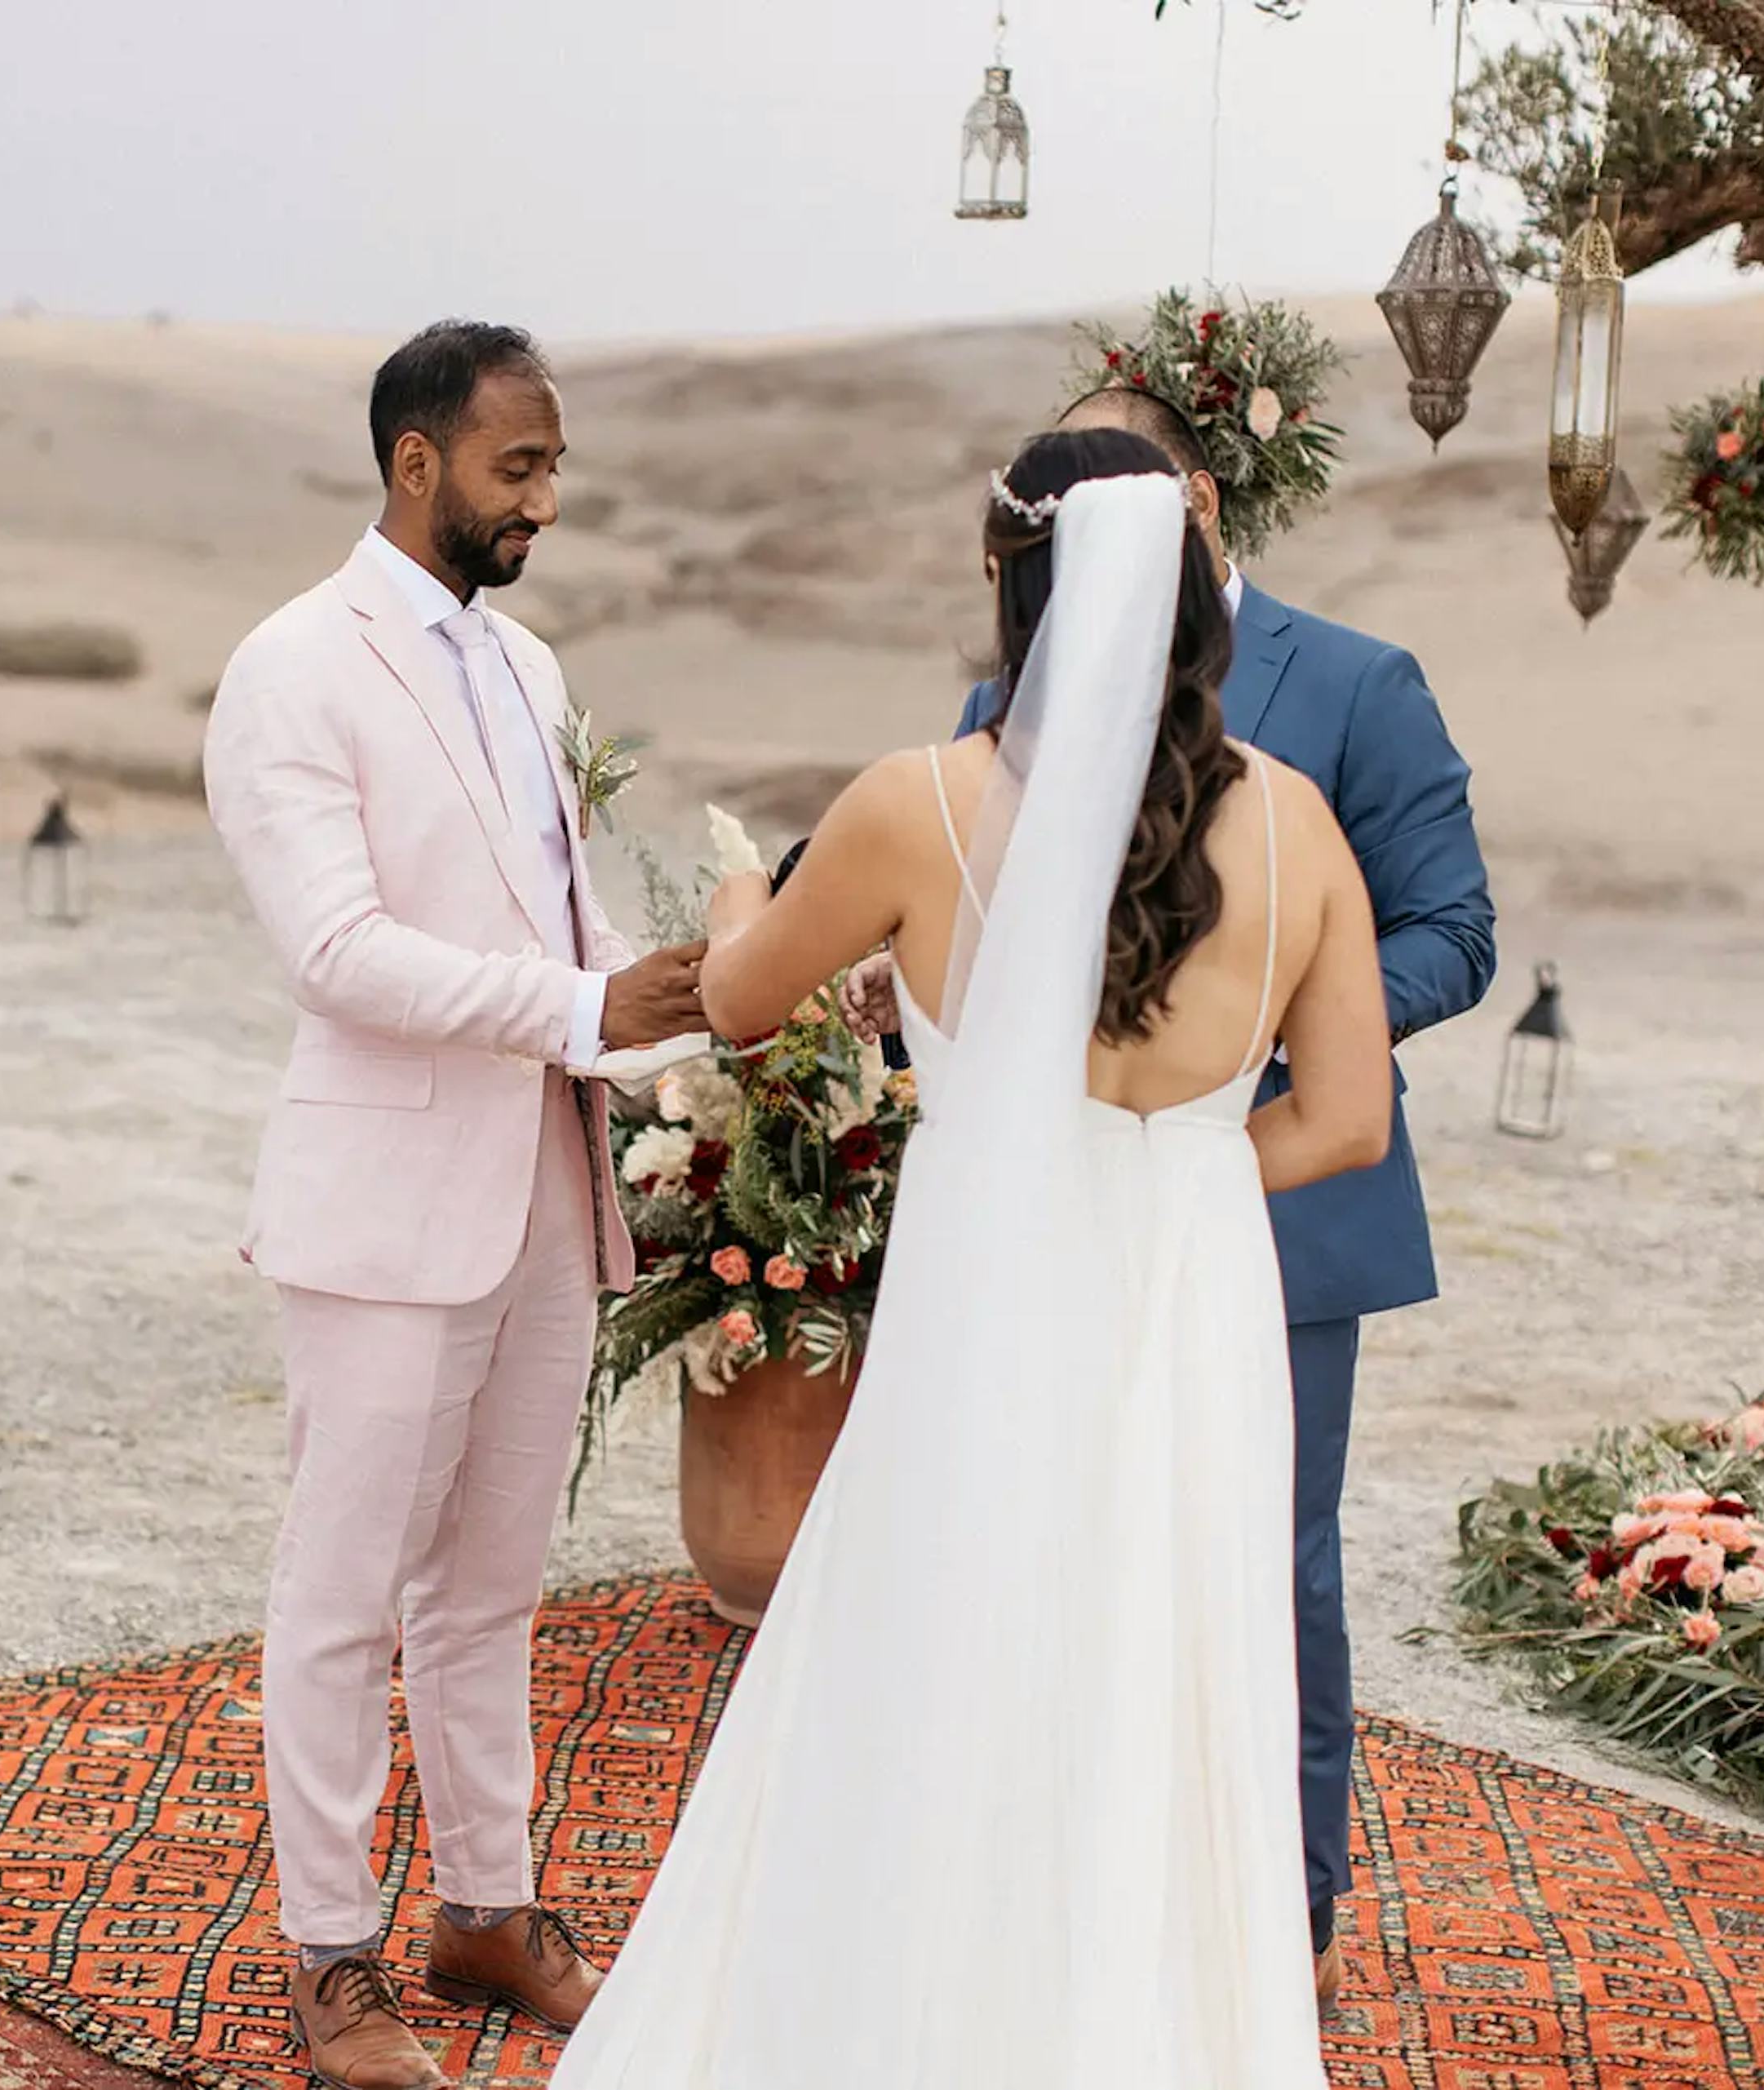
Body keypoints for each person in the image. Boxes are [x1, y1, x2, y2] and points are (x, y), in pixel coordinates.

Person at [548, 437, 1393, 2086]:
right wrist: (1184, 1181)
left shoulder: (914, 808)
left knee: (938, 1640)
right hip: (1186, 1318)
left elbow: (735, 998)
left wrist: (740, 886)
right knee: (1165, 1664)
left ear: (1018, 590)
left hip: (992, 1305)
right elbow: (1350, 1117)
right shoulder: (1298, 832)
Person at [853, 383, 1493, 2000]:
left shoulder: (1357, 683)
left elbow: (1455, 928)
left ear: (1199, 497)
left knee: (1262, 1570)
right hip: (1041, 1224)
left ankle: (1281, 1929)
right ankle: (1058, 1908)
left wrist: (1282, 1027)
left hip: (1262, 1209)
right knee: (1042, 1546)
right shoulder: (1010, 693)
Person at [201, 318, 710, 2090]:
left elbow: (553, 943)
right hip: (382, 1208)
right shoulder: (294, 669)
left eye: (556, 469)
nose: (545, 503)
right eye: (520, 469)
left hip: (547, 1201)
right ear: (415, 461)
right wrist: (586, 1012)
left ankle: (486, 1911)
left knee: (492, 1588)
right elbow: (340, 953)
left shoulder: (532, 669)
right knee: (342, 1592)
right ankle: (329, 1958)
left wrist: (714, 984)